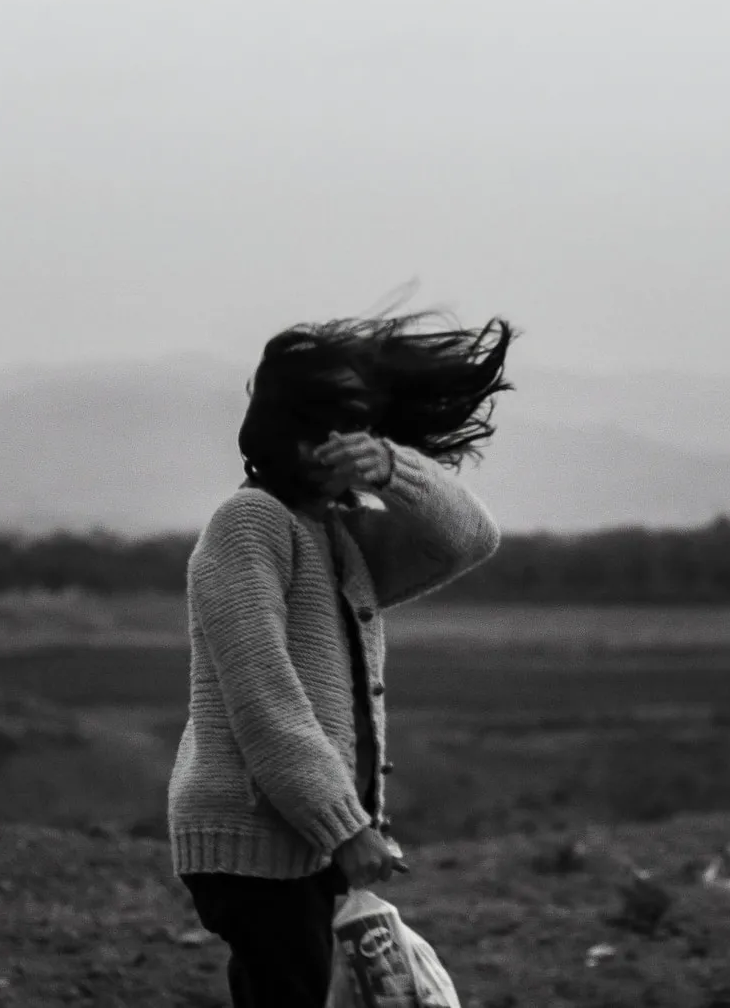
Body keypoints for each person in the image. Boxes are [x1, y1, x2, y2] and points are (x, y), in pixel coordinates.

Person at [168, 310, 515, 1007]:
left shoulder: (335, 536)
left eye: (351, 432)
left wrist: (392, 469)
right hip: (256, 840)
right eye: (325, 432)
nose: (338, 448)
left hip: (302, 836)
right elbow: (264, 701)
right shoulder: (250, 524)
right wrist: (346, 827)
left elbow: (469, 538)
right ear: (284, 434)